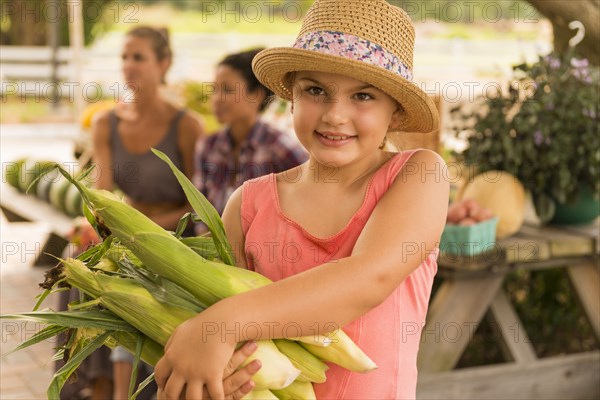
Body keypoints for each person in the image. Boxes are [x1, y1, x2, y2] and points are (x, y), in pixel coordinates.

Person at [155, 1, 449, 399]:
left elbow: (368, 279)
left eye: (362, 96)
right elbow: (236, 350)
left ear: (395, 113)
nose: (334, 115)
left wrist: (222, 324)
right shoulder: (249, 205)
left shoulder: (418, 175)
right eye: (315, 90)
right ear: (290, 97)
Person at [58, 26, 204, 400]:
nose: (128, 66)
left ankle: (131, 389)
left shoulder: (187, 125)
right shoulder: (107, 122)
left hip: (173, 238)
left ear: (163, 64)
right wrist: (92, 225)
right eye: (124, 57)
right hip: (125, 234)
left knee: (132, 286)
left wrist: (146, 232)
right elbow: (103, 191)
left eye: (138, 57)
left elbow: (199, 202)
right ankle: (91, 383)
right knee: (73, 261)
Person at [193, 48, 307, 229]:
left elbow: (310, 206)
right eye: (214, 89)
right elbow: (199, 211)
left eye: (227, 90)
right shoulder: (208, 146)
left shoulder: (281, 149)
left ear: (256, 95)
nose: (216, 99)